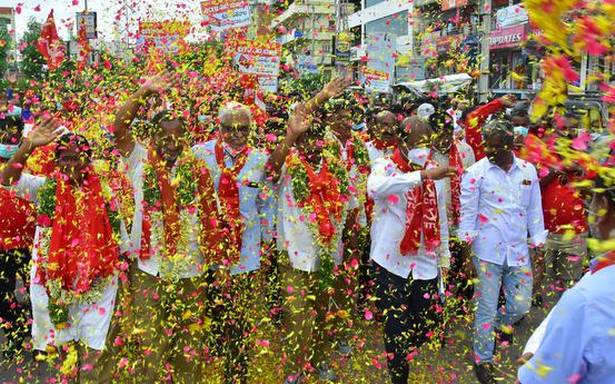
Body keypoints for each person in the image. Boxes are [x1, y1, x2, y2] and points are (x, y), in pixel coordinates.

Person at [1, 119, 129, 383]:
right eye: (64, 159)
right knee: (67, 359)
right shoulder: (45, 188)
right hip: (55, 285)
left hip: (98, 284)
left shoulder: (105, 195)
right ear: (56, 163)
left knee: (92, 358)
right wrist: (28, 145)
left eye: (77, 158)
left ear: (88, 161)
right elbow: (7, 180)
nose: (70, 165)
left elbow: (121, 246)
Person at [113, 74, 211, 382]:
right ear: (153, 138)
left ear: (186, 138)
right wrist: (143, 91)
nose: (171, 143)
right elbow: (119, 129)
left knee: (189, 344)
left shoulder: (197, 165)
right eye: (164, 137)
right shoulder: (141, 160)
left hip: (191, 270)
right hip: (149, 270)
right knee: (150, 343)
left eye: (177, 136)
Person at [268, 98, 356, 383]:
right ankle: (295, 368)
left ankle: (319, 360)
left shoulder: (338, 171)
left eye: (318, 138)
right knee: (297, 317)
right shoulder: (287, 167)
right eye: (305, 139)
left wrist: (345, 247)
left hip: (328, 257)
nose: (313, 144)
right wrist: (291, 133)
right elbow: (270, 168)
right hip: (293, 258)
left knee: (320, 315)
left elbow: (351, 209)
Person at [516, 145, 615, 384]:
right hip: (550, 235)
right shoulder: (547, 172)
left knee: (566, 283)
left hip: (574, 240)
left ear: (603, 209)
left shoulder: (586, 300)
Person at [459, 119, 547, 384]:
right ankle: (483, 360)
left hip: (518, 251)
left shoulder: (527, 171)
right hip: (487, 253)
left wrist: (538, 249)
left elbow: (534, 212)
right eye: (486, 145)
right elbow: (468, 216)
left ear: (510, 145)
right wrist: (466, 255)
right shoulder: (475, 172)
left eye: (495, 146)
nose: (488, 151)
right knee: (485, 307)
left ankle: (494, 326)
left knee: (521, 305)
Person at [368, 116, 454, 384]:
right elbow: (374, 189)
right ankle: (399, 378)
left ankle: (407, 353)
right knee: (395, 330)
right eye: (418, 143)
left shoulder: (435, 172)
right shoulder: (385, 166)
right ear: (402, 143)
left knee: (422, 324)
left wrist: (445, 257)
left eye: (427, 143)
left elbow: (440, 215)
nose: (424, 149)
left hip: (425, 262)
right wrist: (420, 176)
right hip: (390, 263)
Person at [429, 111, 476, 302]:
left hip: (459, 221)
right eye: (438, 132)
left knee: (462, 271)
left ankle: (459, 306)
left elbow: (471, 188)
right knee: (438, 272)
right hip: (434, 224)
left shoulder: (465, 151)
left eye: (447, 131)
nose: (443, 137)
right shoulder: (423, 155)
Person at [0, 115, 35, 358]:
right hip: (1, 243)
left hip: (30, 241)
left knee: (36, 293)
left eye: (12, 130)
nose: (8, 134)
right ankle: (14, 333)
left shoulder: (34, 151)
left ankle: (39, 336)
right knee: (3, 296)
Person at [464, 95, 517, 161]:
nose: (492, 150)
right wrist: (498, 102)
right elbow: (472, 118)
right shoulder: (479, 149)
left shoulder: (521, 161)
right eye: (490, 145)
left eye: (497, 146)